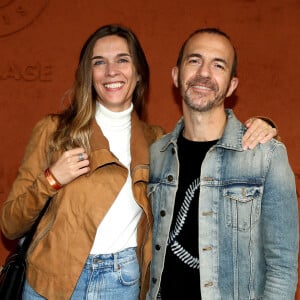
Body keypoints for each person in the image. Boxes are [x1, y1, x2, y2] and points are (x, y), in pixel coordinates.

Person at [0, 24, 277, 300]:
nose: (111, 71)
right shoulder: (53, 131)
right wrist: (51, 179)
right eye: (100, 62)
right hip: (51, 282)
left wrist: (261, 126)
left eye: (122, 60)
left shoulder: (156, 141)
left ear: (138, 73)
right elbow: (10, 225)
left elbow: (206, 143)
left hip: (121, 285)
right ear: (89, 73)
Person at [146, 28, 298, 300]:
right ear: (175, 75)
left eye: (218, 65)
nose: (204, 73)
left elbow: (282, 267)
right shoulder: (156, 155)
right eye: (194, 60)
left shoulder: (266, 156)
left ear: (231, 85)